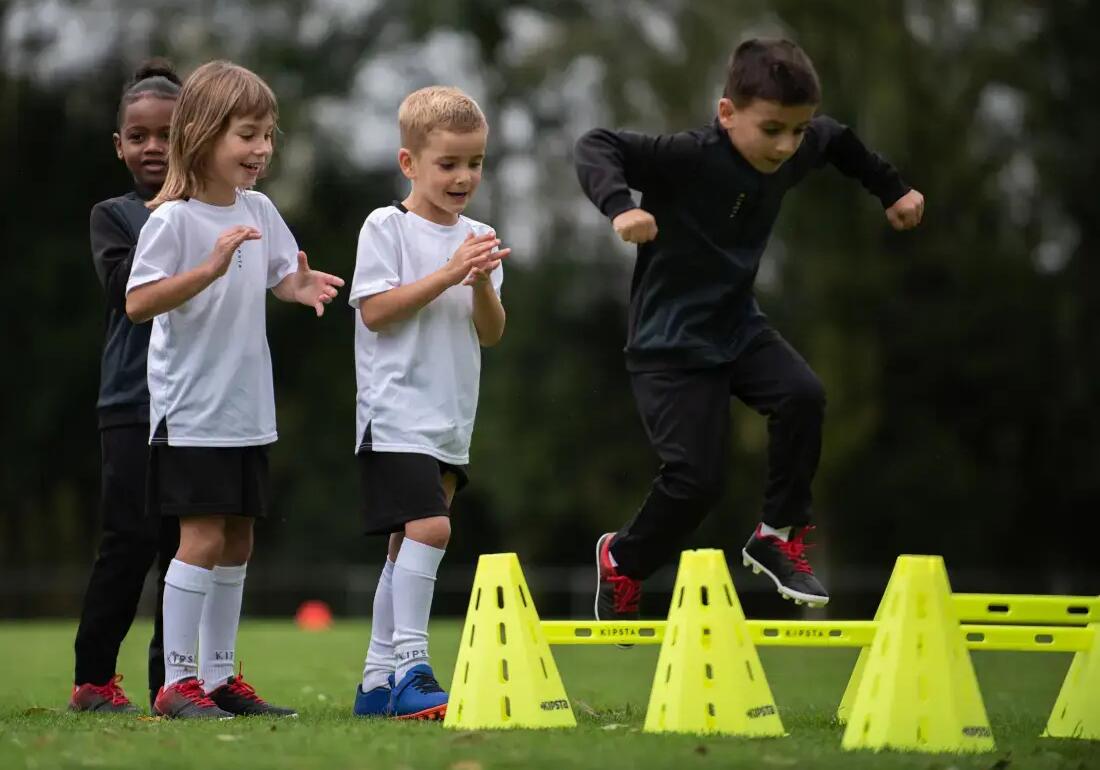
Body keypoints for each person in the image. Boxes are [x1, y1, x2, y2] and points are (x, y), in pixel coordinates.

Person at [574, 38, 925, 619]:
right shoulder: (688, 155)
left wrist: (892, 187)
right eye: (772, 130)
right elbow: (597, 144)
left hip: (736, 325)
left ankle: (777, 533)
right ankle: (623, 563)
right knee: (696, 483)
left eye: (797, 129)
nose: (788, 146)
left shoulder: (800, 143)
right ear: (727, 113)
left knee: (802, 395)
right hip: (669, 342)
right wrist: (620, 206)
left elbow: (837, 140)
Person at [125, 59, 344, 719]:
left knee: (240, 539)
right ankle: (177, 682)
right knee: (201, 538)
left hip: (248, 410)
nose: (262, 150)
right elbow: (139, 302)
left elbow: (280, 274)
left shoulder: (261, 210)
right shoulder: (174, 222)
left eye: (268, 136)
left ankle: (219, 680)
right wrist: (209, 267)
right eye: (247, 134)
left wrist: (299, 287)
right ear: (202, 134)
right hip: (191, 411)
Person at [349, 86, 507, 720]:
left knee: (404, 546)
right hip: (393, 414)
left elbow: (492, 332)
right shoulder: (385, 226)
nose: (464, 176)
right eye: (448, 164)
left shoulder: (481, 237)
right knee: (432, 529)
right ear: (410, 163)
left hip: (449, 418)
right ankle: (414, 669)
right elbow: (378, 312)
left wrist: (480, 285)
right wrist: (447, 272)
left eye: (474, 163)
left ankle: (374, 683)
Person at [71, 59, 182, 714]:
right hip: (130, 401)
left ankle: (175, 682)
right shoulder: (112, 217)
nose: (152, 148)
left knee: (187, 547)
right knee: (129, 541)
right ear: (119, 145)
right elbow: (124, 292)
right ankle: (93, 678)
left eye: (167, 135)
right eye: (138, 136)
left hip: (199, 403)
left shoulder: (217, 211)